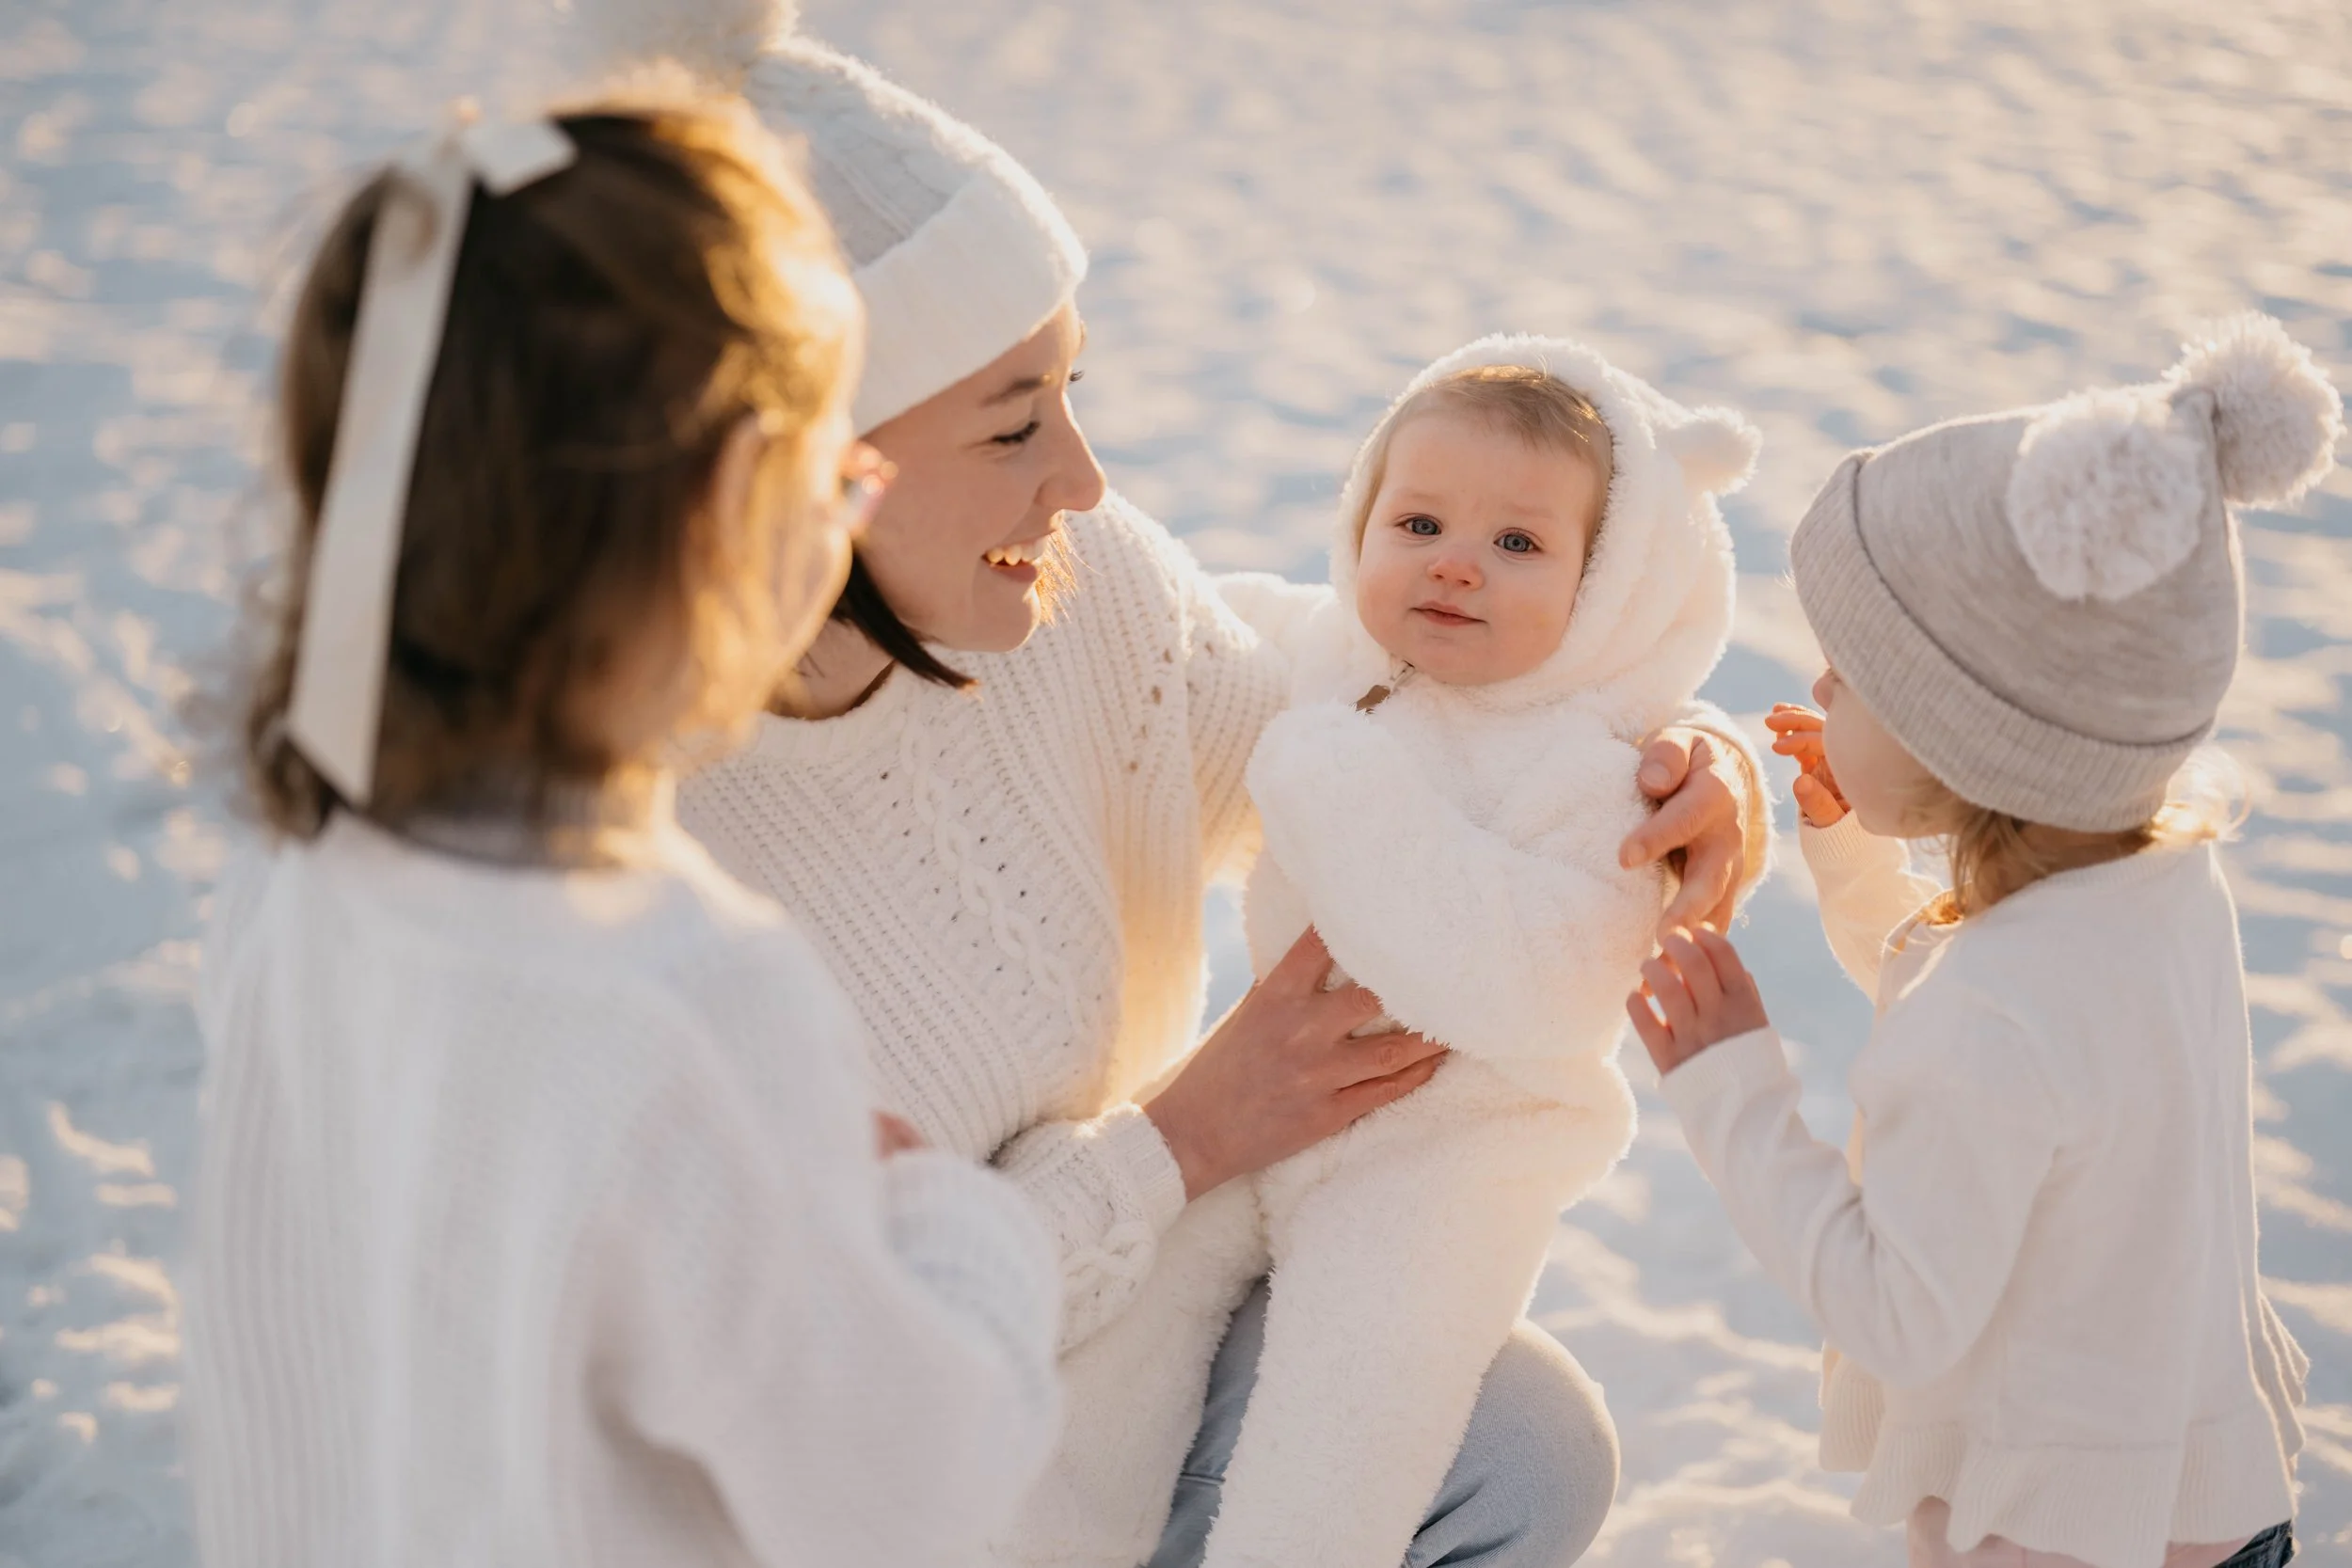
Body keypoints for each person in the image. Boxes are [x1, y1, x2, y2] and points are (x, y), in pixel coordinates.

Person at [574, 7, 1772, 1562]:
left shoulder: (1078, 594)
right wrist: (1183, 1137)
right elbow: (833, 1386)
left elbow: (1387, 722)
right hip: (866, 1502)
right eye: (1015, 423)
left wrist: (1671, 767)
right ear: (806, 469)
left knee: (1523, 1444)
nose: (1080, 475)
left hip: (1123, 1348)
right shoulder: (641, 859)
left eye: (1074, 392)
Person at [184, 96, 1062, 1568]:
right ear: (733, 508)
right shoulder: (682, 990)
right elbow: (909, 1497)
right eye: (838, 479)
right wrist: (950, 1224)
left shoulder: (305, 874)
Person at [1628, 315, 2337, 1568]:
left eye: (1854, 674)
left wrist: (1733, 1086)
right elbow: (1989, 1006)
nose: (1822, 691)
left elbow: (1900, 1311)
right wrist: (1854, 845)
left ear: (1965, 735)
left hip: (2054, 1534)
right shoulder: (2162, 884)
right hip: (2208, 1492)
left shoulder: (1996, 1013)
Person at [1051, 337, 1761, 1568]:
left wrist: (1347, 796)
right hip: (1260, 1104)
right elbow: (1175, 622)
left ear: (1607, 589)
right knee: (1115, 1348)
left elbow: (1536, 978)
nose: (1455, 564)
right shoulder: (1331, 651)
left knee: (1342, 1440)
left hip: (1437, 1163)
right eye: (1419, 519)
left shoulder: (1597, 775)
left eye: (1518, 544)